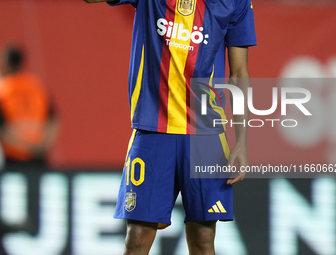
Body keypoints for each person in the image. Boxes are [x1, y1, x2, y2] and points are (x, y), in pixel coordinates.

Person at [84, 0, 256, 254]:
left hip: (206, 135)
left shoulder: (235, 2)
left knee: (203, 237)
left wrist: (242, 141)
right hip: (153, 130)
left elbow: (239, 72)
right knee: (138, 236)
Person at [0, 46, 60, 239]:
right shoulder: (36, 85)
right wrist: (43, 145)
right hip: (39, 157)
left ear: (7, 63)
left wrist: (24, 147)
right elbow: (54, 120)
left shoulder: (3, 88)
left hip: (13, 159)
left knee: (13, 208)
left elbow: (3, 129)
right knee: (39, 204)